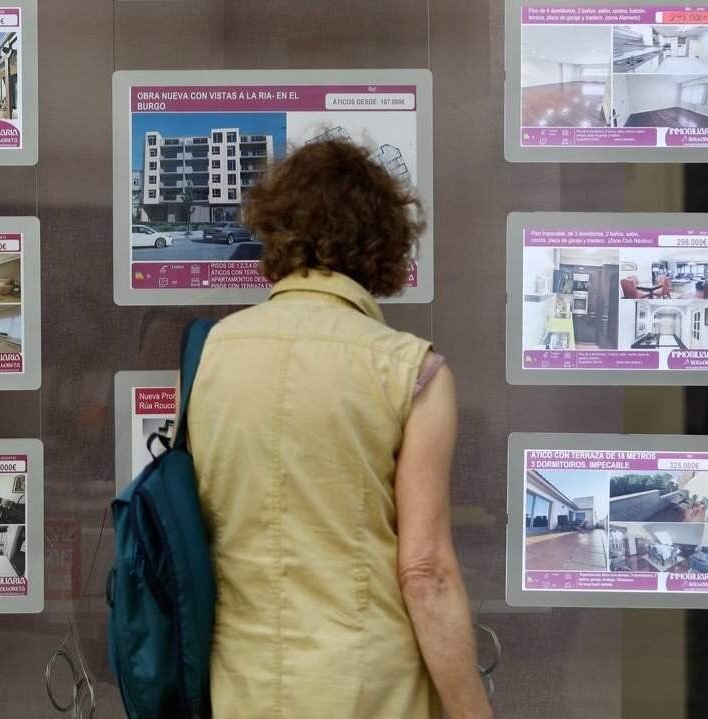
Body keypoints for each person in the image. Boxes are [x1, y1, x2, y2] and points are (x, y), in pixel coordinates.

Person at [187, 139, 492, 718]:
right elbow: (425, 573)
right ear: (383, 242)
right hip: (370, 688)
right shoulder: (411, 371)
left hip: (240, 685)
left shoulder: (213, 353)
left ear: (276, 231)